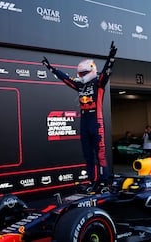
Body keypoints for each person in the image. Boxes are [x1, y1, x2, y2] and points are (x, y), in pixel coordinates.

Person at [42, 42, 117, 190]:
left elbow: (106, 71)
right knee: (87, 154)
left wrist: (111, 57)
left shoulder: (99, 83)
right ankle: (92, 181)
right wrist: (51, 68)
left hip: (96, 121)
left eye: (84, 73)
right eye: (80, 74)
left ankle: (103, 182)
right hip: (84, 122)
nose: (81, 76)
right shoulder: (79, 85)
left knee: (100, 154)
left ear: (91, 71)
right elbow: (66, 79)